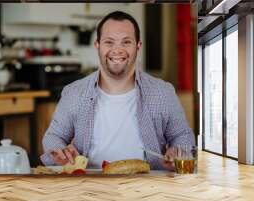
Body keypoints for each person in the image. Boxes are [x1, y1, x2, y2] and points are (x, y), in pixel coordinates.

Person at [41, 11, 195, 170]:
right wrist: (61, 151)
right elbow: (53, 137)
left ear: (138, 46)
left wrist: (177, 150)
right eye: (109, 42)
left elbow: (183, 135)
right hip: (90, 186)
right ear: (97, 45)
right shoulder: (74, 92)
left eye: (126, 42)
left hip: (149, 185)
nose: (117, 50)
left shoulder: (163, 92)